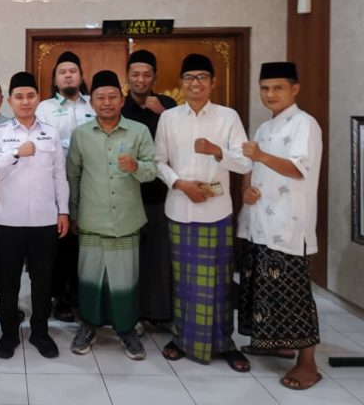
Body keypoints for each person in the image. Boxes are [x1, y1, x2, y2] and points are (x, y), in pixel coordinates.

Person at [155, 53, 252, 371]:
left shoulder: (228, 117)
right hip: (180, 208)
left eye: (201, 77)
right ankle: (182, 339)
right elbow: (158, 161)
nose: (195, 83)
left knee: (220, 281)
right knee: (183, 281)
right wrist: (180, 184)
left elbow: (245, 163)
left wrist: (217, 151)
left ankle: (224, 343)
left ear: (213, 82)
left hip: (216, 211)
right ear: (181, 83)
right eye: (189, 78)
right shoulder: (169, 118)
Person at [237, 62, 323, 390]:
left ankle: (308, 362)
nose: (270, 94)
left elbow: (300, 168)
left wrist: (261, 156)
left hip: (289, 224)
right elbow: (253, 168)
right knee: (264, 287)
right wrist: (247, 189)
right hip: (260, 221)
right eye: (265, 88)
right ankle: (277, 343)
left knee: (293, 294)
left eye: (278, 88)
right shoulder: (264, 128)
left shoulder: (305, 124)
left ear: (294, 89)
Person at [0, 71, 69, 360]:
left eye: (30, 96)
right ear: (11, 100)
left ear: (38, 98)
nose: (25, 101)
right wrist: (16, 152)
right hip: (8, 222)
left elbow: (60, 176)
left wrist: (63, 211)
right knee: (9, 282)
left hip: (45, 220)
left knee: (43, 281)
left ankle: (40, 332)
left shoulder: (50, 133)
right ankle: (8, 334)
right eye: (19, 96)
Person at [67, 70, 156, 360]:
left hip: (126, 219)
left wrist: (136, 167)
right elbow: (73, 176)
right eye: (100, 97)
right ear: (91, 102)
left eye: (112, 97)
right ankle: (89, 326)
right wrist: (73, 213)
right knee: (89, 278)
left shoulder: (138, 132)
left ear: (121, 100)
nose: (106, 102)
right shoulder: (81, 135)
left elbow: (153, 170)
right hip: (91, 218)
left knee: (124, 279)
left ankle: (126, 329)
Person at [120, 50, 178, 328]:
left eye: (146, 74)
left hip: (161, 194)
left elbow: (181, 142)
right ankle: (135, 314)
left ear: (155, 76)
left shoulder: (168, 106)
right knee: (131, 259)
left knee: (159, 258)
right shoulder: (120, 107)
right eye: (135, 74)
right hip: (128, 194)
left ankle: (161, 314)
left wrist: (163, 114)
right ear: (128, 77)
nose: (141, 80)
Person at [35, 50, 94, 322]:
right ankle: (60, 297)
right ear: (55, 79)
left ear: (81, 76)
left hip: (92, 183)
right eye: (62, 72)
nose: (68, 75)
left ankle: (84, 296)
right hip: (56, 183)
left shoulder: (94, 104)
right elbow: (42, 143)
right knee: (60, 242)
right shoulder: (44, 108)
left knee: (86, 241)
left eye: (73, 71)